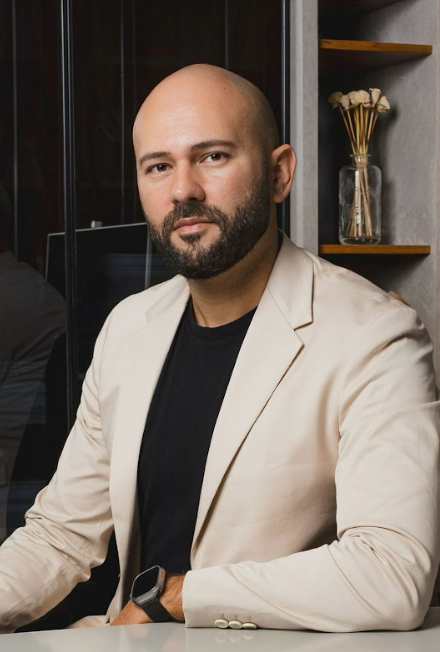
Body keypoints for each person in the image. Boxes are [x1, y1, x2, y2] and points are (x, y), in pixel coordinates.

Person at [0, 64, 439, 634]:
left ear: (279, 174)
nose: (183, 190)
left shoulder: (376, 336)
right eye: (159, 166)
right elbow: (60, 535)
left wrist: (179, 596)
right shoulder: (126, 329)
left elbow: (392, 572)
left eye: (212, 156)